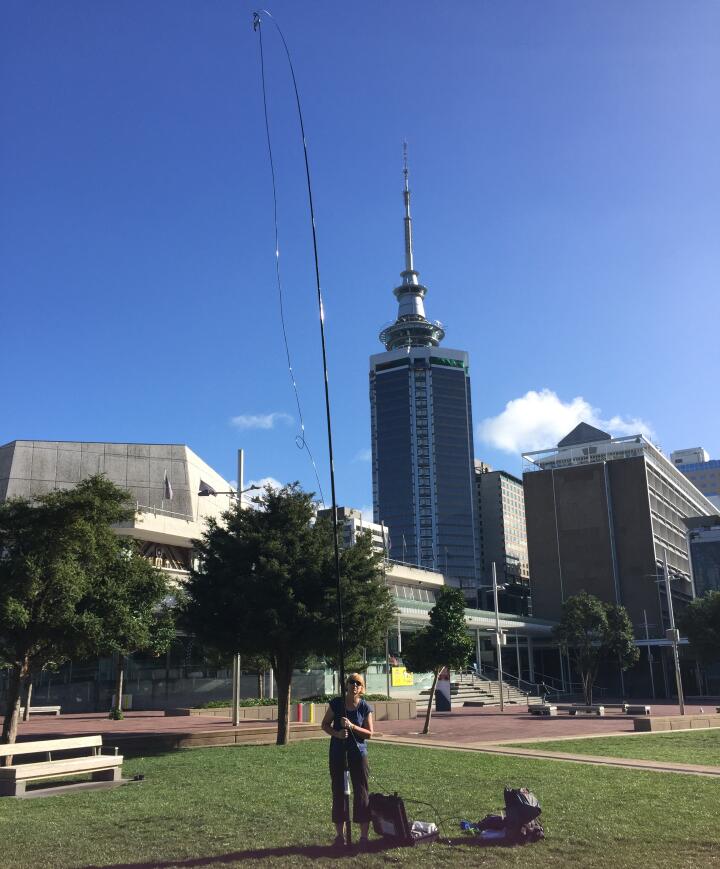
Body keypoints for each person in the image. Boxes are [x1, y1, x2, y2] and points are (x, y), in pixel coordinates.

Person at [321, 672, 374, 848]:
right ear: (347, 685)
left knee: (361, 792)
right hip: (338, 753)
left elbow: (369, 733)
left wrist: (352, 726)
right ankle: (339, 836)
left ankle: (364, 837)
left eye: (358, 683)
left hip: (358, 754)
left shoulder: (365, 707)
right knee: (339, 791)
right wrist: (337, 733)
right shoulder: (337, 704)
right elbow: (324, 724)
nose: (354, 685)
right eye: (351, 682)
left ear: (362, 687)